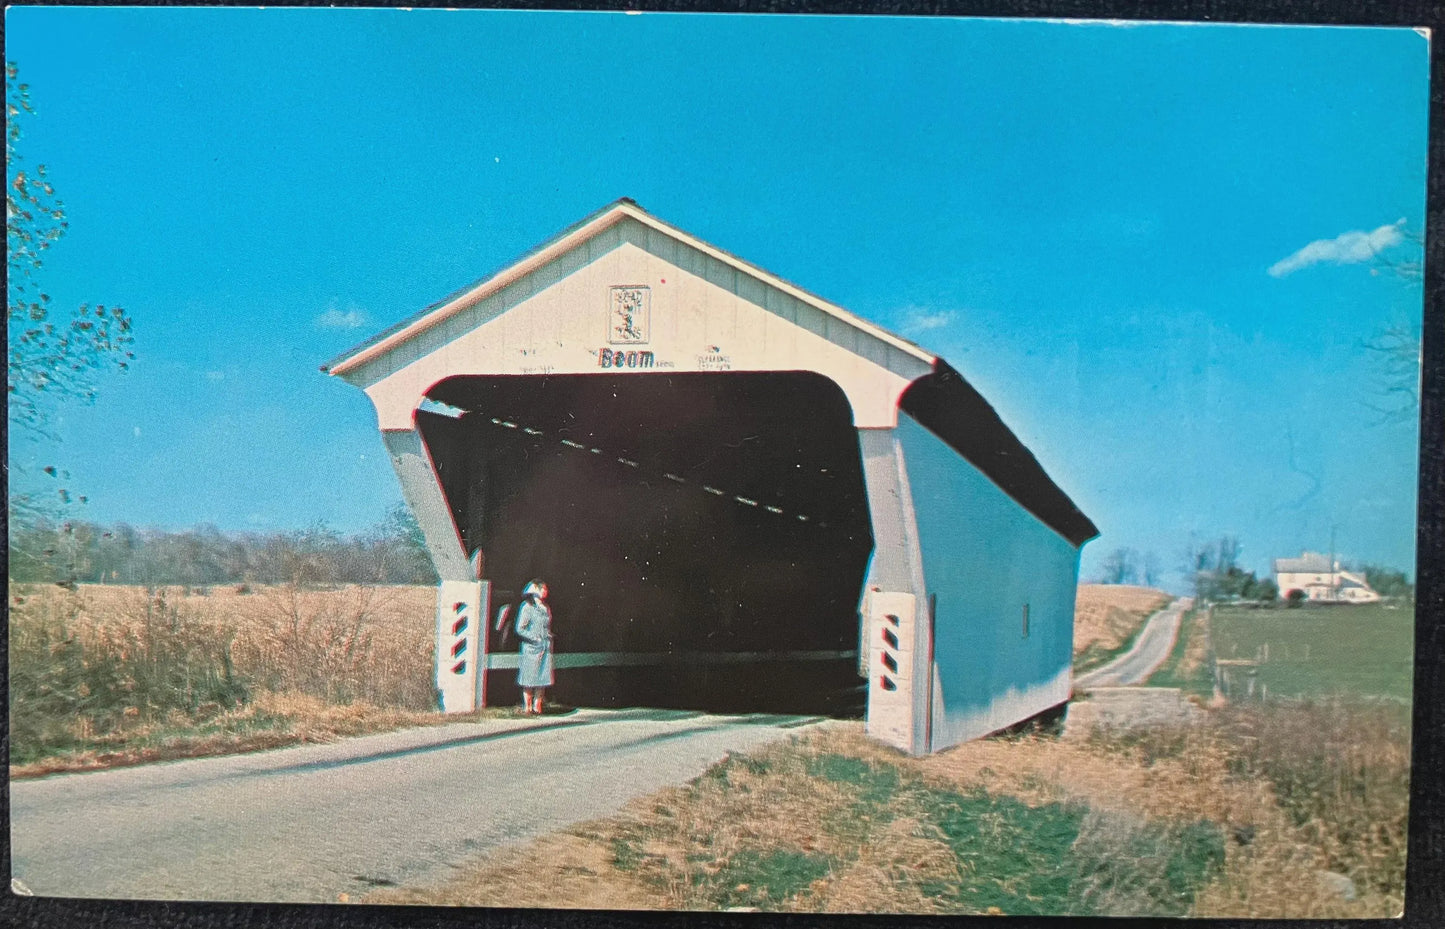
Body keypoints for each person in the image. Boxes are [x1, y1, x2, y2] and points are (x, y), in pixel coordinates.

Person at [514, 579, 554, 714]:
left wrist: (548, 636)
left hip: (544, 647)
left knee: (542, 679)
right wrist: (533, 637)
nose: (545, 591)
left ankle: (538, 707)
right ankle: (528, 707)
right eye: (543, 588)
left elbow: (546, 626)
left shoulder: (546, 608)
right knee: (529, 678)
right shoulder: (527, 607)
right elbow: (520, 628)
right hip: (531, 648)